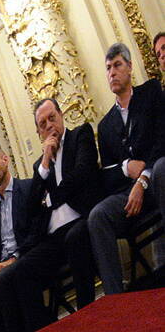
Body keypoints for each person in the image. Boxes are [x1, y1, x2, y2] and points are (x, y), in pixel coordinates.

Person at [88, 44, 164, 295]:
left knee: (163, 168)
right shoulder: (106, 125)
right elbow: (107, 177)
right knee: (98, 215)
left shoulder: (151, 92)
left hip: (157, 177)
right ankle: (116, 299)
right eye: (108, 68)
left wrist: (143, 178)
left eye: (117, 65)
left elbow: (162, 139)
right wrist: (124, 168)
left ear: (130, 67)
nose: (112, 72)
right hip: (128, 194)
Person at [29, 92, 112, 306]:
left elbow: (82, 174)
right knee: (25, 266)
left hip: (82, 219)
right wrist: (46, 160)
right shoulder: (40, 165)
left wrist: (49, 200)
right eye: (42, 123)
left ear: (61, 115)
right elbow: (31, 206)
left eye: (52, 117)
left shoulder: (80, 136)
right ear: (39, 132)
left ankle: (87, 312)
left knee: (75, 238)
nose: (48, 125)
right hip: (52, 235)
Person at [0, 147, 50, 332]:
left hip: (27, 256)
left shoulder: (27, 189)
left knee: (5, 277)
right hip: (2, 265)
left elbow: (37, 230)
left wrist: (13, 259)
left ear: (6, 160)